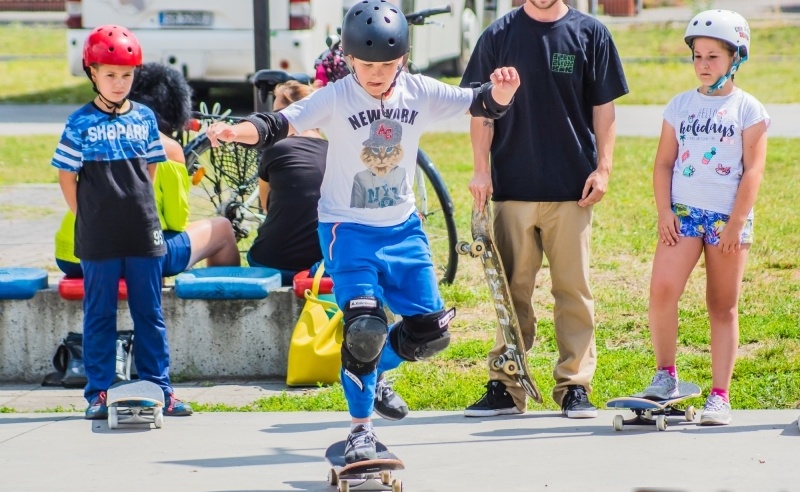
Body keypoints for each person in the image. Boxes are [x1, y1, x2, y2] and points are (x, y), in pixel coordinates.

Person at [206, 0, 519, 463]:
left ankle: (372, 371)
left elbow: (479, 102)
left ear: (403, 61)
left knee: (430, 335)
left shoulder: (417, 91)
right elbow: (279, 123)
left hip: (404, 231)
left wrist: (503, 92)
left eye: (387, 65)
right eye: (367, 64)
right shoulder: (336, 97)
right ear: (349, 59)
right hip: (347, 230)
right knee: (366, 329)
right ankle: (359, 431)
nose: (376, 74)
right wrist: (238, 132)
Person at [460, 0, 628, 419]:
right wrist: (481, 170)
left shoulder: (591, 34)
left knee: (574, 291)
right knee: (510, 292)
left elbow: (603, 108)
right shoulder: (497, 36)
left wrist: (603, 169)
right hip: (512, 189)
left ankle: (575, 386)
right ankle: (505, 385)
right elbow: (481, 110)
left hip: (572, 189)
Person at [51, 26, 193, 419]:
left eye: (126, 75)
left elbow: (149, 169)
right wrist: (87, 216)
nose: (119, 83)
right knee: (99, 314)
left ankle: (160, 388)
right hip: (98, 235)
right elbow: (66, 175)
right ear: (92, 73)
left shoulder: (145, 118)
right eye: (110, 74)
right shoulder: (79, 122)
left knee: (150, 312)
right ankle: (98, 392)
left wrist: (136, 208)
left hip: (143, 231)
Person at [643, 10, 768, 426]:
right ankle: (666, 376)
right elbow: (663, 164)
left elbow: (754, 170)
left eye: (713, 56)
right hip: (683, 215)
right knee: (662, 289)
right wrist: (664, 211)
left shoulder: (748, 110)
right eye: (698, 55)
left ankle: (719, 395)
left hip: (726, 220)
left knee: (721, 306)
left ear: (736, 58)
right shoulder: (679, 106)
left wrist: (735, 222)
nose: (703, 64)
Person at [54, 62, 240, 279]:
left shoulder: (93, 130)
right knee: (223, 229)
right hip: (131, 254)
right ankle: (221, 309)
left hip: (70, 254)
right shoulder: (169, 149)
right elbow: (177, 222)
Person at [246, 80, 326, 286]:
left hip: (273, 264)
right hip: (323, 268)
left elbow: (266, 206)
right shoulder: (337, 151)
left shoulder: (276, 148)